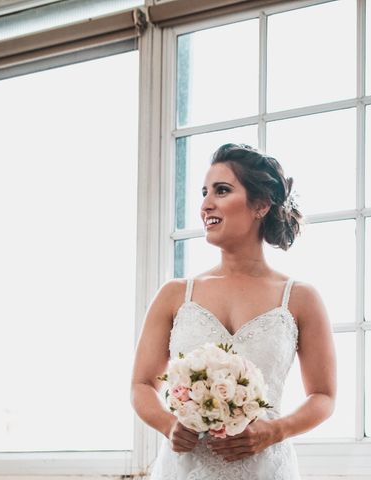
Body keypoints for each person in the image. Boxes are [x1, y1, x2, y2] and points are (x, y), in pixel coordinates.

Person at [130, 143, 336, 479]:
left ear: (260, 205)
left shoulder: (300, 298)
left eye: (222, 191)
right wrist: (169, 425)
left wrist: (275, 431)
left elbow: (324, 395)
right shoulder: (174, 295)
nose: (205, 204)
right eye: (204, 192)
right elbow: (141, 384)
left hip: (264, 467)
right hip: (186, 467)